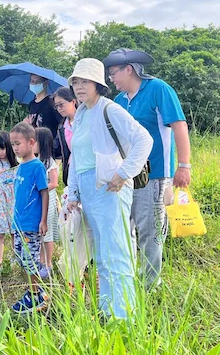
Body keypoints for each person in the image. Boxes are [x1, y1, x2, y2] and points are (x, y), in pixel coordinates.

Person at [66, 58, 153, 320]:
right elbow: (76, 157)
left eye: (85, 81)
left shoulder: (109, 109)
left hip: (110, 188)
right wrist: (72, 193)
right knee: (101, 254)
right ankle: (108, 311)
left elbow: (143, 139)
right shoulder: (81, 113)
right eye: (76, 82)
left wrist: (123, 173)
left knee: (117, 251)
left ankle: (125, 315)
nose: (80, 87)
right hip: (88, 187)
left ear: (97, 84)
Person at [103, 48, 192, 289]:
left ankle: (151, 284)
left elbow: (179, 126)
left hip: (154, 173)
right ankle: (129, 279)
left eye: (113, 74)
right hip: (127, 175)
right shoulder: (119, 101)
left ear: (129, 69)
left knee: (150, 230)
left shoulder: (158, 90)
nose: (111, 79)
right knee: (126, 228)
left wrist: (183, 165)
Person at [9, 122, 49, 314]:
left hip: (31, 224)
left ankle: (34, 297)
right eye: (13, 144)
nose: (15, 148)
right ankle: (37, 291)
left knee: (30, 259)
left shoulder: (37, 166)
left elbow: (44, 193)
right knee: (21, 257)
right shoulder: (20, 166)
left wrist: (43, 220)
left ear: (31, 142)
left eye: (18, 143)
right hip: (19, 223)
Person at [0, 131, 19, 280]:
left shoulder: (16, 163)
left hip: (13, 199)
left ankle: (16, 259)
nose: (0, 152)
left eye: (2, 148)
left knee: (15, 232)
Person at [34, 127, 60, 279]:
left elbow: (54, 183)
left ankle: (48, 264)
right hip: (40, 201)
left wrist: (40, 189)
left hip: (48, 201)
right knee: (41, 233)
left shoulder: (49, 162)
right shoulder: (37, 160)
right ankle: (41, 261)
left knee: (47, 233)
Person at [25, 74, 63, 154]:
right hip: (35, 146)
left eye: (37, 82)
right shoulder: (32, 104)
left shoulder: (51, 103)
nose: (34, 84)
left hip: (49, 147)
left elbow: (60, 122)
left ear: (45, 83)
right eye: (32, 81)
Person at [53, 87, 78, 185]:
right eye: (56, 106)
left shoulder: (85, 120)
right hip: (71, 169)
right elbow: (56, 149)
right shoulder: (62, 127)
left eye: (61, 104)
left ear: (73, 102)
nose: (59, 108)